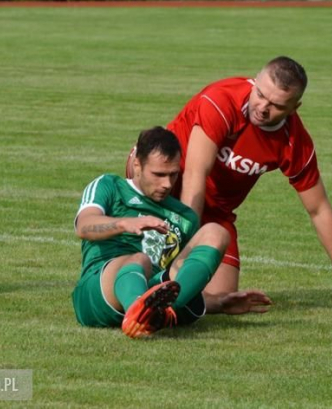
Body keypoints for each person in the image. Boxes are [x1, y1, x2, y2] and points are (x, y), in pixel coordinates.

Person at [126, 57, 332, 314]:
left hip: (216, 211)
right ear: (255, 82)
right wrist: (183, 246)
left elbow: (319, 209)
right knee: (149, 188)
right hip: (170, 185)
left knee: (222, 297)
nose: (263, 108)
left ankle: (160, 292)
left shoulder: (294, 143)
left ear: (294, 107)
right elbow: (195, 174)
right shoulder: (222, 101)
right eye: (260, 94)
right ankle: (130, 270)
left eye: (277, 105)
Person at [72, 126, 271, 339]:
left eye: (173, 174)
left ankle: (160, 313)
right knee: (140, 259)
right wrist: (124, 224)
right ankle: (140, 312)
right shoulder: (110, 186)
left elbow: (178, 278)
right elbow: (84, 226)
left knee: (216, 232)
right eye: (158, 174)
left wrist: (219, 302)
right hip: (100, 290)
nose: (167, 184)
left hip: (154, 288)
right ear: (137, 165)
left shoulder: (184, 216)